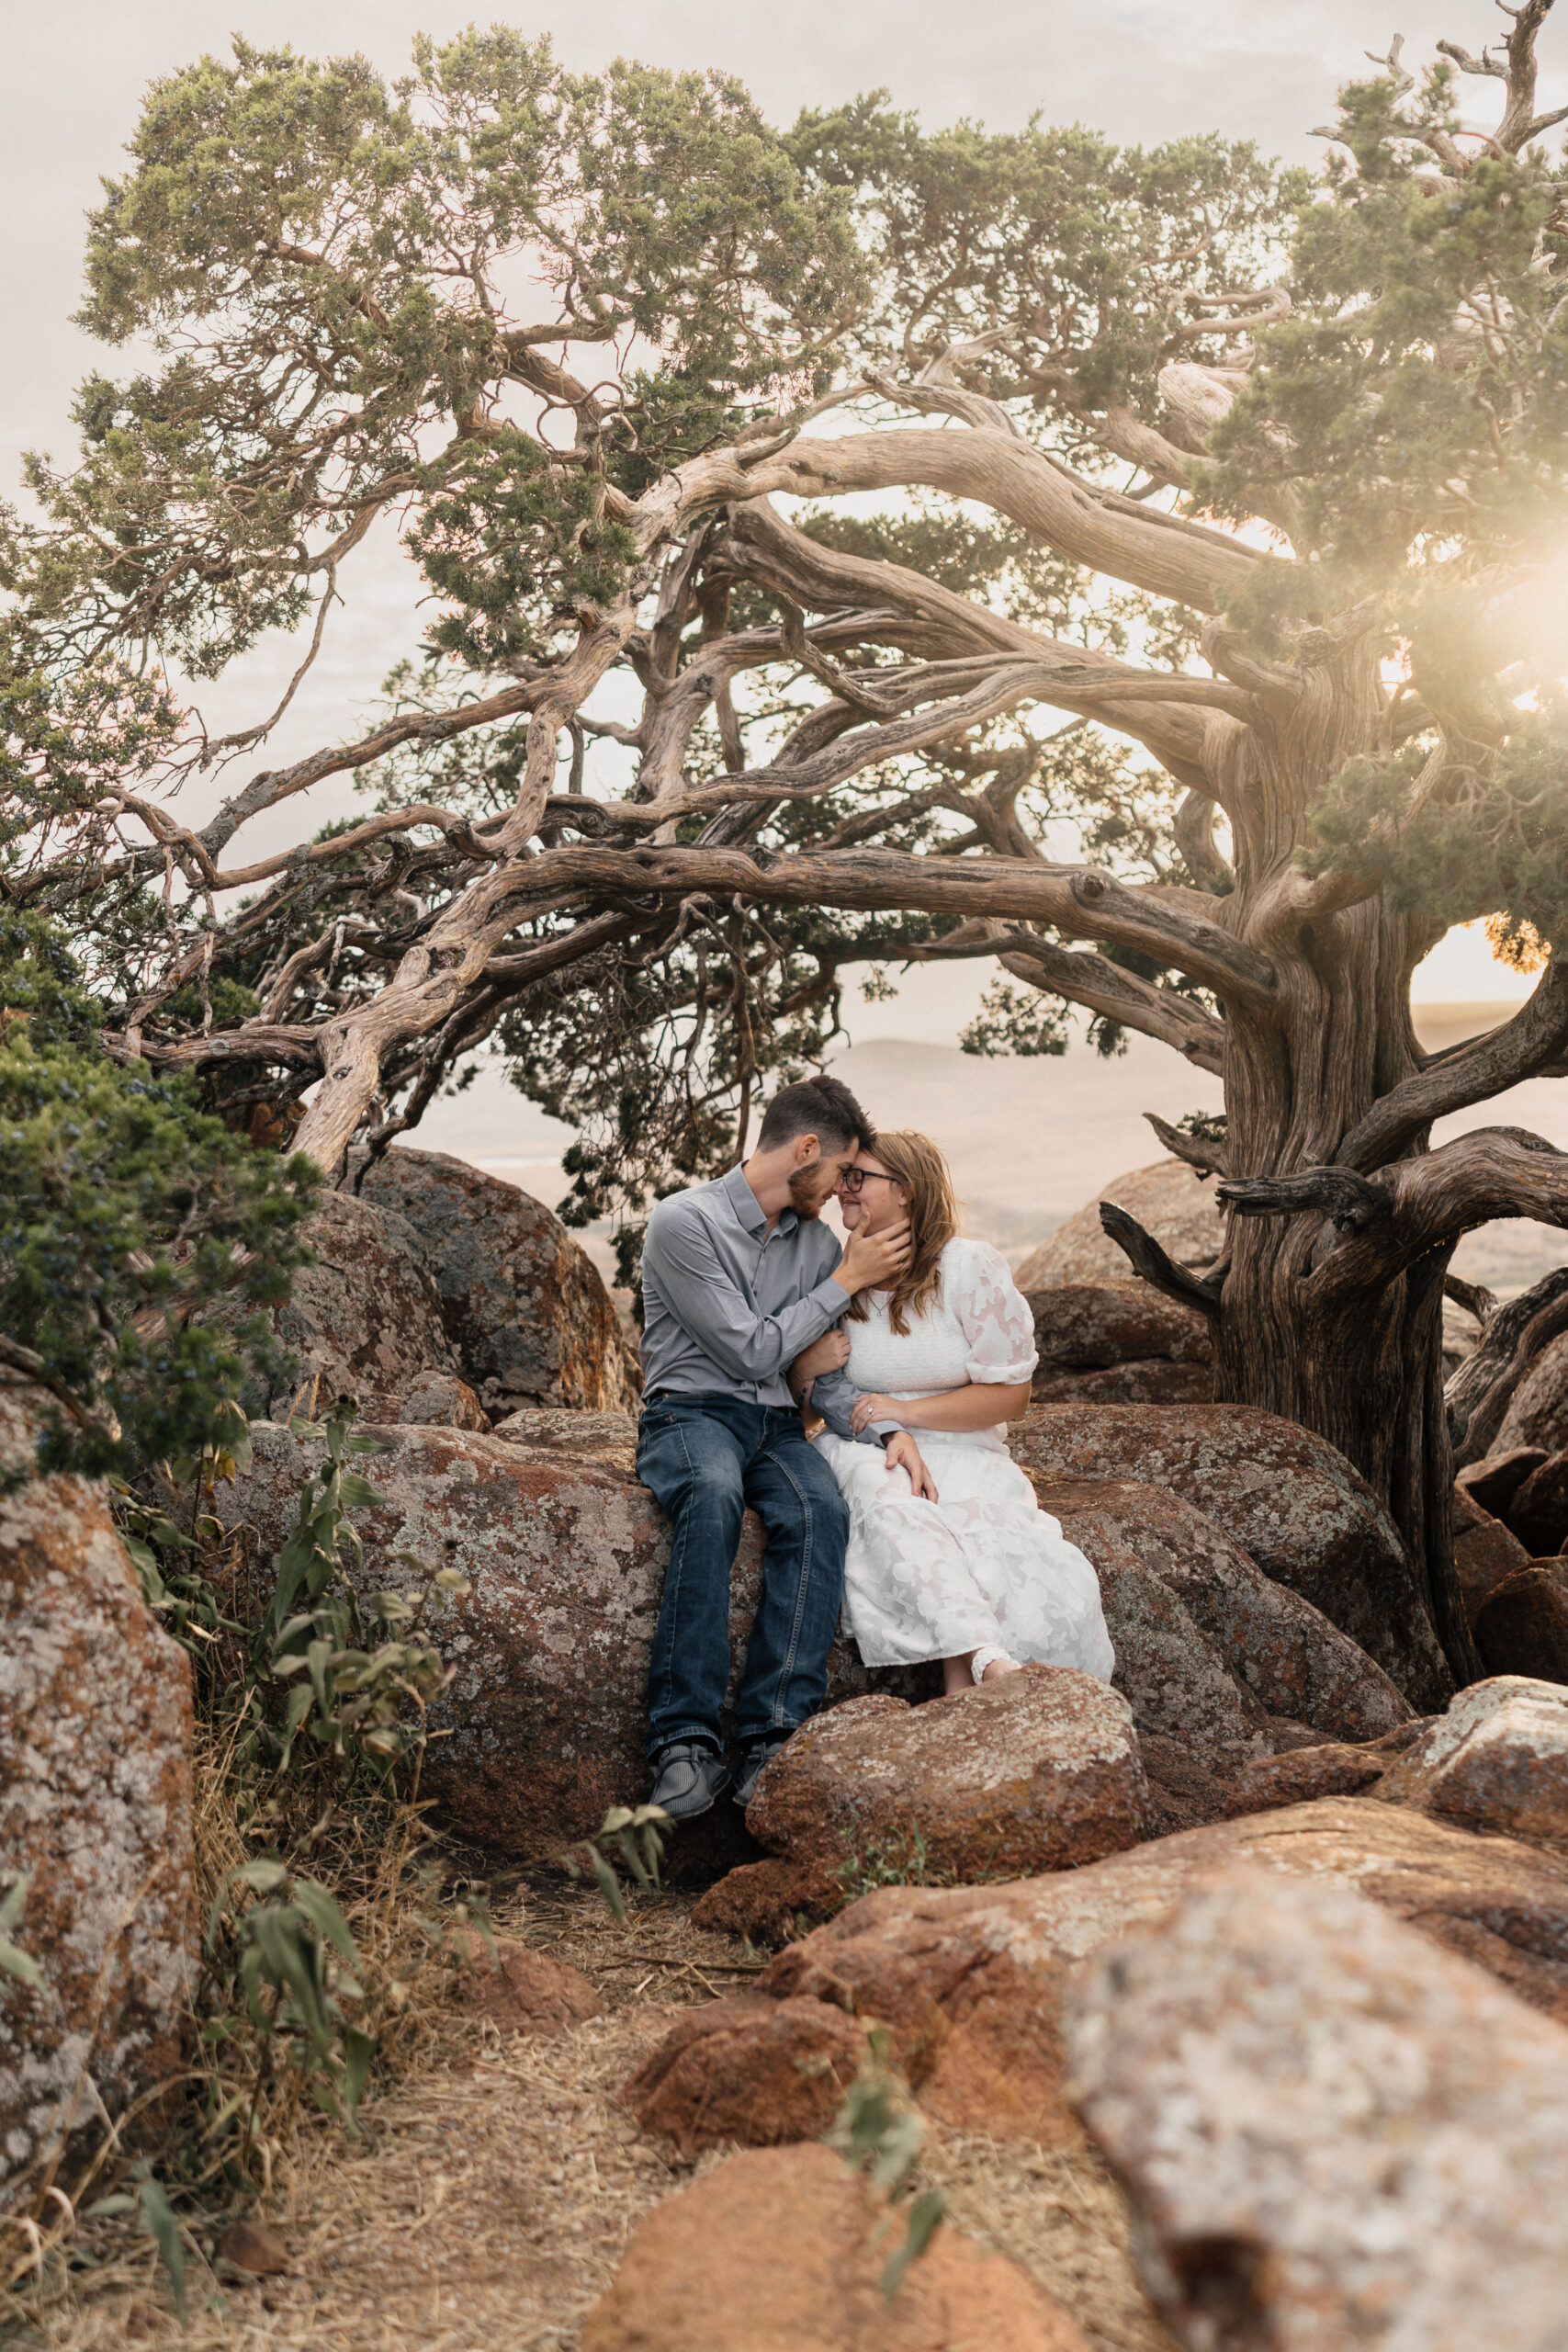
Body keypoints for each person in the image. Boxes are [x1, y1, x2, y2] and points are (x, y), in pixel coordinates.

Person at [636, 1078, 928, 1820]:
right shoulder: (684, 1222)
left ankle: (773, 1737)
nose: (837, 1194)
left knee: (820, 1509)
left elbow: (823, 1373)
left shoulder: (819, 1246)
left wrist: (885, 1430)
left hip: (771, 1425)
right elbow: (744, 1350)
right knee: (713, 1494)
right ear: (803, 1151)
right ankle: (684, 1741)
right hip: (690, 1413)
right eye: (836, 1173)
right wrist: (846, 1282)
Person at [791, 1130, 1114, 1693]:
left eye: (858, 1177)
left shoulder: (967, 1268)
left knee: (994, 1555)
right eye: (844, 1177)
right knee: (891, 1500)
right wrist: (857, 1406)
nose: (844, 1188)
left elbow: (1011, 1395)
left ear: (907, 1192)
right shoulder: (835, 1278)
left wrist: (905, 1411)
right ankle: (988, 1662)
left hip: (966, 1450)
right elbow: (819, 1402)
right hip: (868, 1447)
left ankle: (965, 1688)